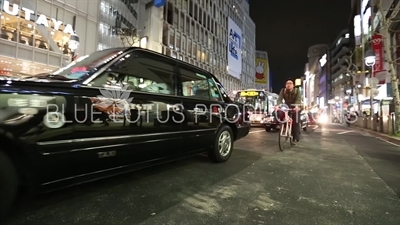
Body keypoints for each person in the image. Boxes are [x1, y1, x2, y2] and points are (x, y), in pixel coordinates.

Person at [275, 78, 302, 143]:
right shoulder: (283, 90)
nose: (288, 85)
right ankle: (283, 125)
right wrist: (278, 105)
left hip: (295, 106)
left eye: (290, 83)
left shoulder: (297, 90)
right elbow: (280, 99)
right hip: (286, 106)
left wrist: (296, 106)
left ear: (293, 85)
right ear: (285, 85)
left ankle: (295, 137)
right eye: (287, 83)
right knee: (280, 113)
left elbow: (298, 99)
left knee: (296, 121)